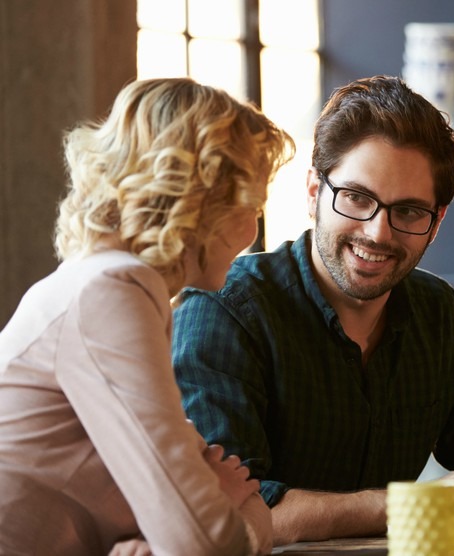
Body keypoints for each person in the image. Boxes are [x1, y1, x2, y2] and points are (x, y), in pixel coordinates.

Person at [171, 75, 454, 544]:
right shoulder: (225, 311)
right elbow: (232, 512)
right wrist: (415, 504)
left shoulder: (438, 314)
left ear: (436, 223)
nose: (378, 233)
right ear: (314, 190)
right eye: (357, 198)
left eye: (410, 211)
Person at [0, 77, 295, 555]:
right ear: (200, 201)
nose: (251, 230)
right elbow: (206, 544)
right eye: (251, 207)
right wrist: (255, 512)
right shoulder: (114, 291)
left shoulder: (100, 282)